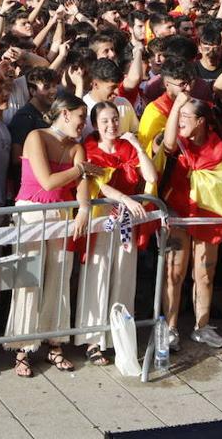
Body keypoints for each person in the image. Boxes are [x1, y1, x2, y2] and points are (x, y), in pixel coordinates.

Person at [6, 93, 99, 377]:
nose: (84, 124)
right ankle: (22, 346)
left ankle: (54, 342)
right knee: (28, 276)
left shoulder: (77, 147)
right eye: (81, 117)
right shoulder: (36, 136)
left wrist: (83, 209)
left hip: (62, 213)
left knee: (60, 275)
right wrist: (80, 169)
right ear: (65, 114)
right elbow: (47, 181)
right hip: (32, 210)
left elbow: (83, 183)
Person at [76, 101, 157, 363]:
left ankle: (118, 335)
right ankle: (92, 339)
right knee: (97, 278)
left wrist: (136, 145)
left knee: (124, 278)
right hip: (102, 223)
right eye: (104, 121)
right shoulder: (89, 150)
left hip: (126, 223)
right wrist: (128, 200)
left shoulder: (126, 147)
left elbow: (151, 177)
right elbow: (101, 187)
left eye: (114, 119)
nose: (111, 125)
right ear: (95, 125)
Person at [158, 93, 222, 350]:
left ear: (202, 121)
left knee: (204, 275)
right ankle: (169, 330)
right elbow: (167, 145)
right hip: (176, 214)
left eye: (185, 116)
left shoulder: (220, 150)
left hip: (207, 216)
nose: (180, 119)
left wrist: (199, 181)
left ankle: (202, 327)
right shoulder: (173, 141)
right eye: (177, 115)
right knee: (174, 273)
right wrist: (176, 107)